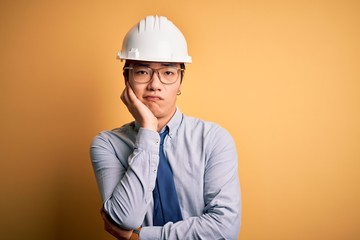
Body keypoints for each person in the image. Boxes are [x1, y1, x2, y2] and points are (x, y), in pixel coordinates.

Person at [90, 15, 241, 240]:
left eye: (168, 73)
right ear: (126, 78)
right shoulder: (107, 144)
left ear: (181, 80)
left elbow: (224, 229)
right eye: (142, 71)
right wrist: (148, 130)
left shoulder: (213, 139)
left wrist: (140, 237)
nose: (155, 85)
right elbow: (124, 219)